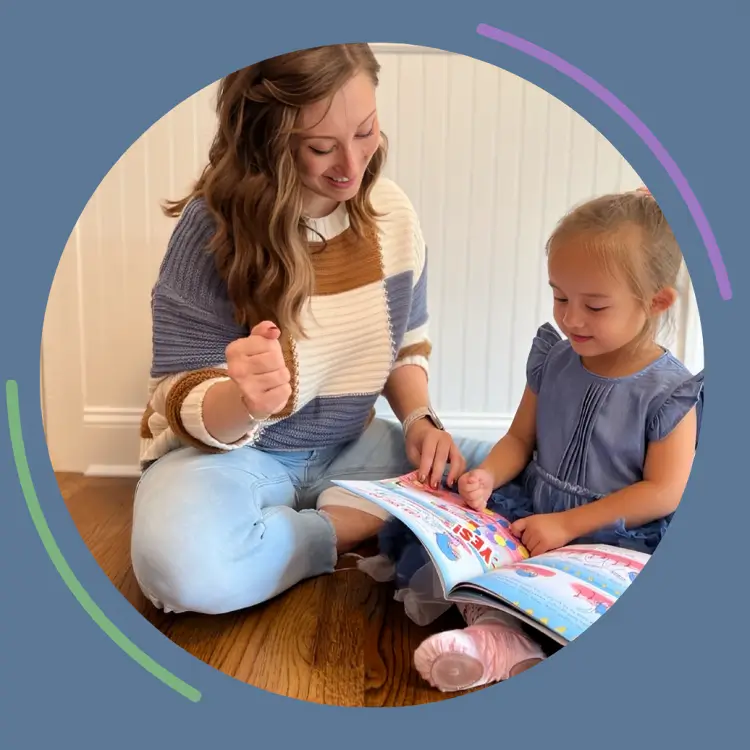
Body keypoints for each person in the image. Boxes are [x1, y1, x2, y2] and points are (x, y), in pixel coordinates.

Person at [130, 43, 492, 616]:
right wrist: (243, 400)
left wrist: (420, 420)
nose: (352, 167)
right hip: (231, 458)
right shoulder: (212, 228)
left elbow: (405, 345)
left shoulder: (392, 213)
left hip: (356, 447)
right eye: (321, 148)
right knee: (181, 572)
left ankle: (332, 514)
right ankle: (340, 528)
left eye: (366, 131)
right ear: (266, 140)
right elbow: (176, 395)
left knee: (513, 471)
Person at [375, 187, 704, 692]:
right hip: (536, 507)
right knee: (461, 557)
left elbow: (663, 492)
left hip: (612, 530)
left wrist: (568, 524)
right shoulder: (555, 358)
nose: (571, 318)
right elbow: (518, 439)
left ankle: (517, 642)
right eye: (560, 296)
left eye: (594, 306)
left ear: (656, 301)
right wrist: (488, 475)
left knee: (592, 598)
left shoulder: (670, 392)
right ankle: (496, 636)